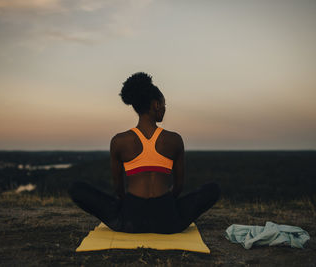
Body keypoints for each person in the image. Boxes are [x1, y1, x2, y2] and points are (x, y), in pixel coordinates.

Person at [68, 72, 220, 234]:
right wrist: (166, 206)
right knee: (213, 189)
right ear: (156, 105)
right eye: (164, 104)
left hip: (131, 220)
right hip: (168, 220)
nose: (164, 108)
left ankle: (129, 218)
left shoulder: (119, 141)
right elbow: (179, 187)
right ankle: (166, 215)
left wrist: (131, 207)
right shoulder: (174, 140)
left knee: (77, 188)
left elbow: (119, 189)